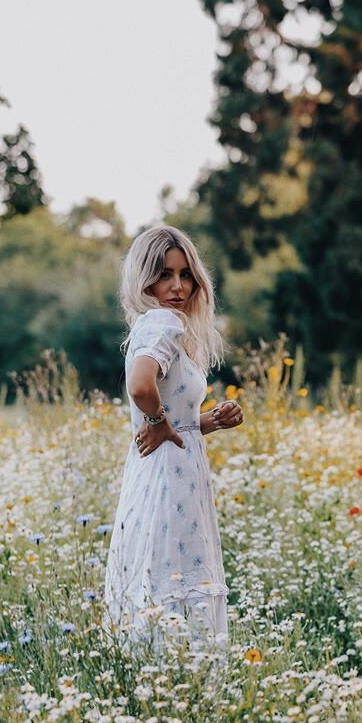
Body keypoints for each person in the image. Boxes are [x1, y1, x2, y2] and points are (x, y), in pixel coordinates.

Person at [103, 226, 244, 654]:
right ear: (145, 280)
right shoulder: (161, 322)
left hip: (165, 473)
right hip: (168, 480)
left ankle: (165, 690)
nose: (178, 286)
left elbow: (169, 421)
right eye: (165, 275)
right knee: (176, 582)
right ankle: (181, 685)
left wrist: (206, 423)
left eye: (185, 275)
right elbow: (140, 386)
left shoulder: (164, 328)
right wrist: (160, 421)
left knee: (163, 578)